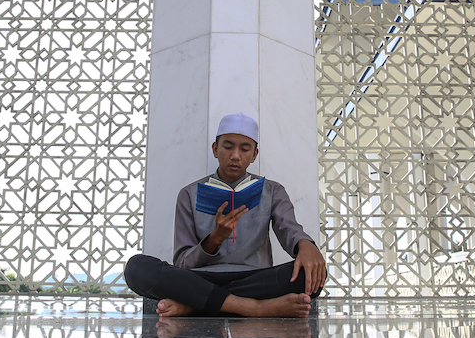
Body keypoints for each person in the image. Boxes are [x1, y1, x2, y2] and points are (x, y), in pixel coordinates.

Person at [124, 112, 327, 318]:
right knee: (137, 268)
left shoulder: (272, 191)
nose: (235, 156)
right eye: (228, 147)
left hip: (254, 278)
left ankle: (195, 304)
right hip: (201, 278)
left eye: (244, 149)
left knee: (311, 274)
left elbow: (289, 228)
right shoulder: (189, 194)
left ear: (254, 155)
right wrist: (214, 239)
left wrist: (306, 245)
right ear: (215, 149)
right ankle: (255, 308)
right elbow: (183, 263)